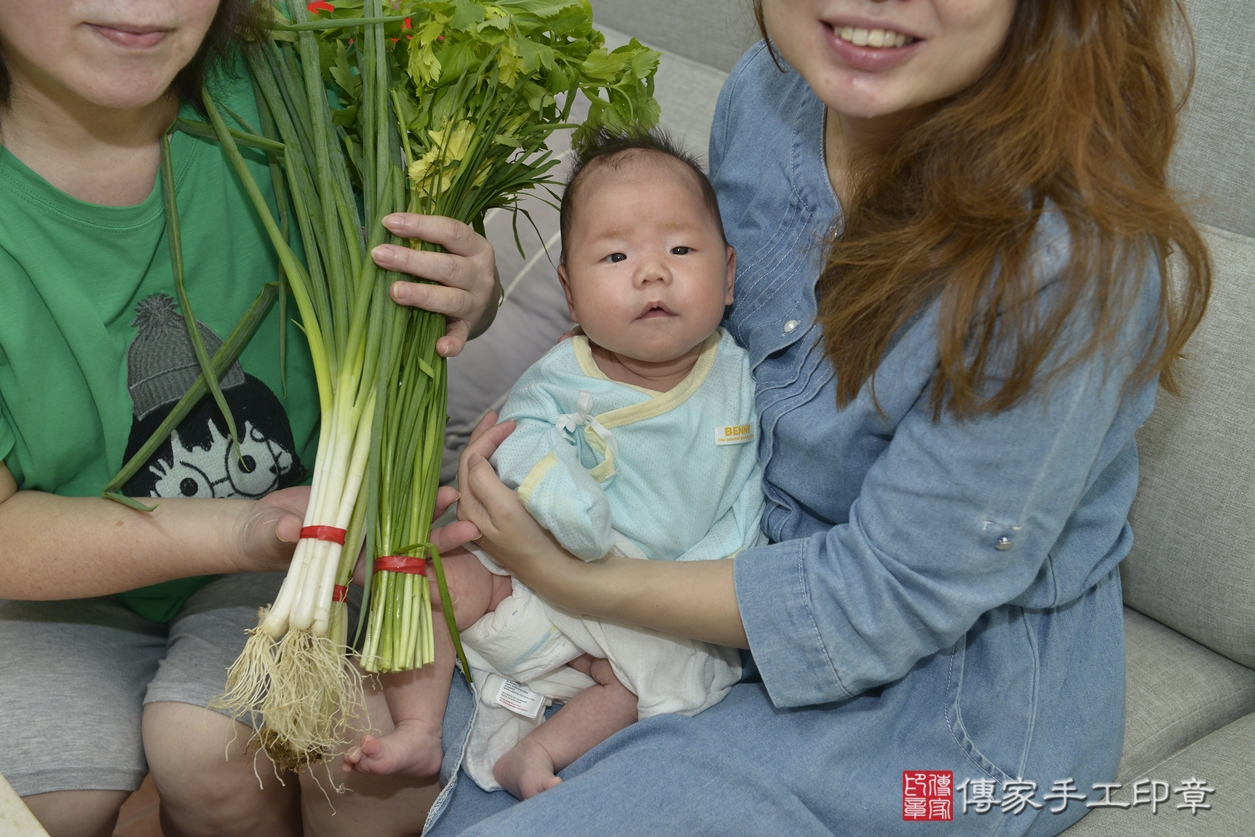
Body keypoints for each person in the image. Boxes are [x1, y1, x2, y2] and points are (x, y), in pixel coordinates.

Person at [417, 0, 1212, 835]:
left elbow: (883, 599)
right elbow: (685, 343)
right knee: (331, 746)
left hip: (940, 712)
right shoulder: (769, 92)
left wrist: (577, 578)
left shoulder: (1065, 264)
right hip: (700, 558)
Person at [0, 3, 499, 836]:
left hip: (306, 554)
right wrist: (242, 526)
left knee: (216, 748)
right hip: (59, 574)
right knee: (46, 790)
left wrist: (462, 294)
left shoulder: (294, 80)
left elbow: (398, 299)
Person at [343, 131, 764, 801]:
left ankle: (534, 750)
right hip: (527, 578)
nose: (652, 272)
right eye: (616, 255)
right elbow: (518, 440)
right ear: (569, 293)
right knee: (426, 581)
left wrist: (723, 561)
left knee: (633, 686)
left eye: (681, 249)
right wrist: (554, 494)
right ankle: (419, 727)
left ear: (731, 275)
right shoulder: (564, 373)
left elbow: (744, 495)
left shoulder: (740, 379)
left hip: (651, 605)